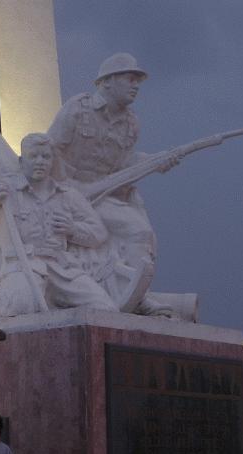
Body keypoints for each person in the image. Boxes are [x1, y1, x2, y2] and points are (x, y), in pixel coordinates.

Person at [48, 52, 177, 315]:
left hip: (104, 192)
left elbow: (124, 165)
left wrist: (155, 161)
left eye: (137, 80)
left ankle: (137, 295)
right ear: (107, 81)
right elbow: (49, 150)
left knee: (140, 231)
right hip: (67, 191)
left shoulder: (131, 123)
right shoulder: (78, 108)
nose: (136, 85)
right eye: (130, 79)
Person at [0, 133, 117, 318]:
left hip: (62, 269)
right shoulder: (6, 191)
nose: (40, 161)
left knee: (106, 309)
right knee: (14, 308)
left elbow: (99, 233)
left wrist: (73, 230)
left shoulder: (67, 195)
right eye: (33, 156)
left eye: (45, 156)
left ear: (52, 161)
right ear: (22, 161)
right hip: (23, 266)